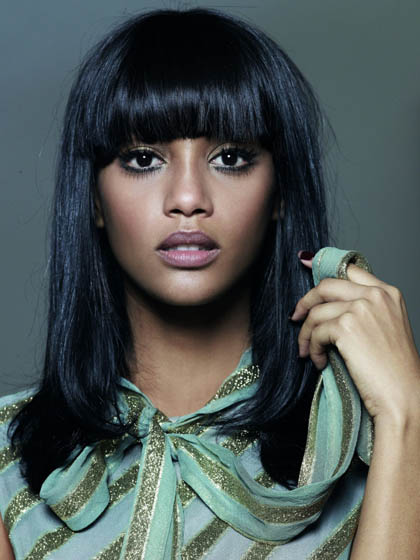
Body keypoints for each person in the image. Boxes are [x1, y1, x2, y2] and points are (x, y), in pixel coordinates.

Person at [0, 7, 419, 559]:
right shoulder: (6, 459)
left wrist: (407, 416)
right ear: (94, 199)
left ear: (281, 192)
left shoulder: (377, 441)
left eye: (231, 157)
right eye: (143, 159)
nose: (188, 198)